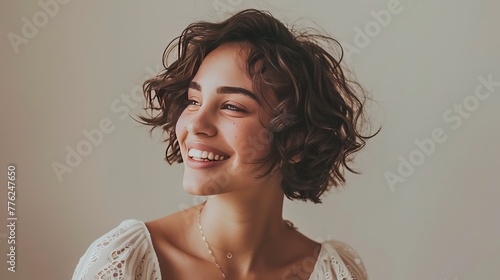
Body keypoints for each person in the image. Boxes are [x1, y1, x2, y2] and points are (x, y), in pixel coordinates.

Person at [72, 8, 376, 280]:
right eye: (193, 101)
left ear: (295, 140)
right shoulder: (125, 262)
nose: (195, 125)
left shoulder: (334, 273)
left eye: (232, 106)